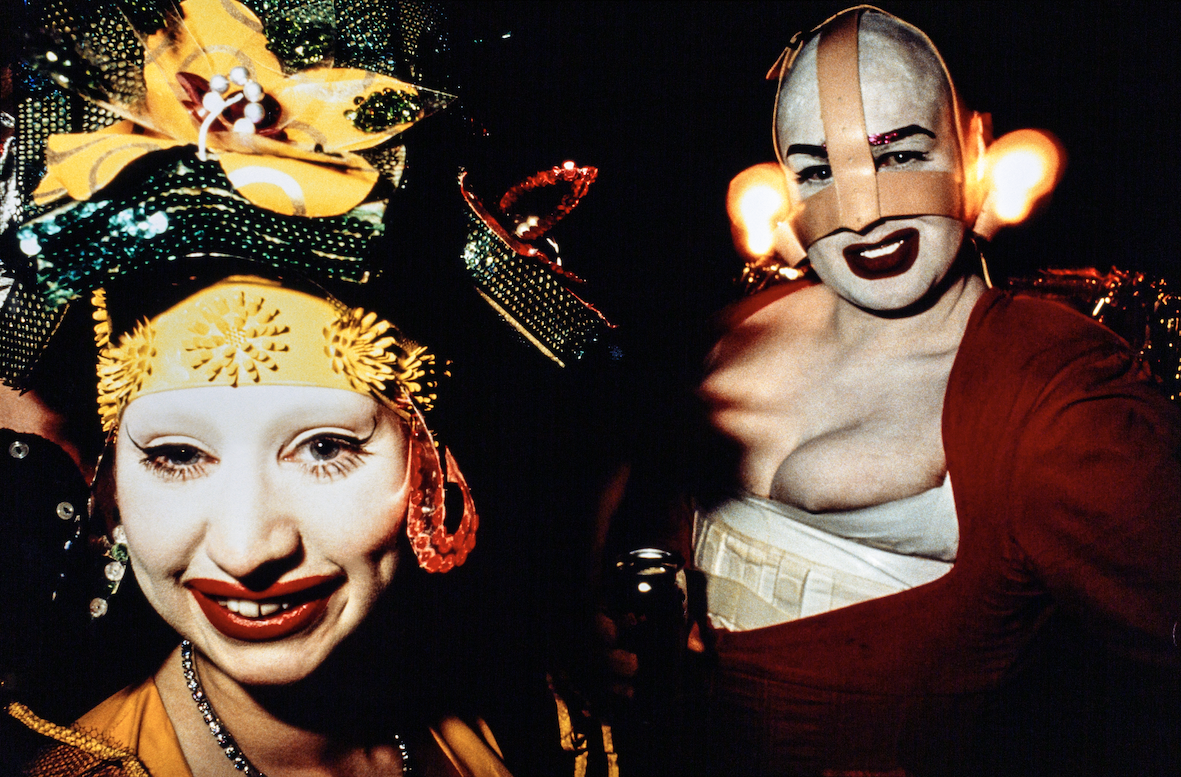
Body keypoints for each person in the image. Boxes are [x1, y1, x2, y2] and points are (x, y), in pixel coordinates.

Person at [1, 1, 617, 774]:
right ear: (111, 484)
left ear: (431, 455)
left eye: (324, 446)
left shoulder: (534, 734)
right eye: (177, 455)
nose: (246, 548)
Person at [656, 6, 1179, 775]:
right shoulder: (727, 329)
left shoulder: (1059, 399)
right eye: (819, 171)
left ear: (970, 148)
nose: (863, 215)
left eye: (899, 154)